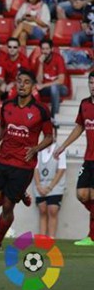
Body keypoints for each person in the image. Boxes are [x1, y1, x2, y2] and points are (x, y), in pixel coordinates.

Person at [0, 69, 54, 251]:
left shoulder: (41, 110)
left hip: (23, 165)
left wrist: (36, 148)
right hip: (2, 161)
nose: (22, 85)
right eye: (19, 81)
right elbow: (2, 126)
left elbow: (49, 137)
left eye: (26, 82)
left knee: (7, 206)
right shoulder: (7, 105)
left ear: (33, 86)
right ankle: (18, 193)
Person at [54, 71, 94, 246]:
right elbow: (80, 127)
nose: (93, 86)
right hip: (89, 158)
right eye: (91, 83)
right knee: (82, 194)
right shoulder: (85, 104)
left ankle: (92, 237)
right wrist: (63, 145)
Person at [33, 127, 67, 239]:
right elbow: (35, 168)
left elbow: (61, 169)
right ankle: (42, 236)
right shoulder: (38, 149)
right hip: (41, 184)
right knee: (42, 209)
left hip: (55, 185)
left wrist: (50, 187)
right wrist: (38, 186)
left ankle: (51, 236)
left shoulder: (59, 150)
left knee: (52, 209)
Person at [34, 39, 68, 117]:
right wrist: (41, 64)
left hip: (61, 88)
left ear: (51, 49)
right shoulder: (38, 60)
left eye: (47, 49)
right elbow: (39, 81)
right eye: (43, 49)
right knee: (33, 88)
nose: (45, 51)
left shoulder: (58, 58)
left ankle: (54, 117)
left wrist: (43, 85)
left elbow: (61, 80)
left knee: (54, 88)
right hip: (46, 89)